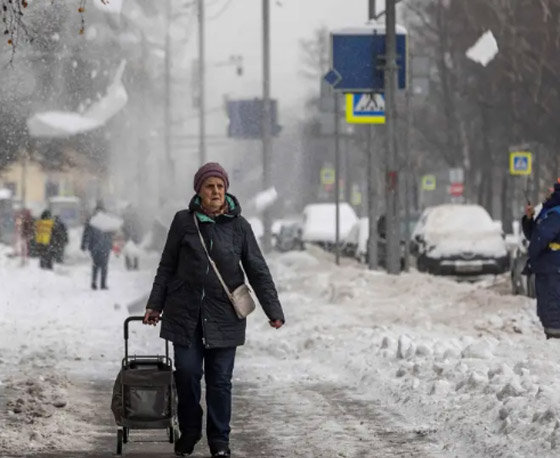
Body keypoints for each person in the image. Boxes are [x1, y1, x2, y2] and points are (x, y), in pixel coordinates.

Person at [143, 162, 285, 458]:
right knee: (188, 374)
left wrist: (273, 309)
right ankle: (191, 430)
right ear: (199, 191)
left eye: (220, 186)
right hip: (186, 314)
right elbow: (167, 266)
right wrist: (155, 304)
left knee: (220, 381)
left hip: (224, 315)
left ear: (226, 190)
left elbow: (257, 270)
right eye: (210, 186)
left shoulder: (240, 227)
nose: (216, 191)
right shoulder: (183, 222)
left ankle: (220, 440)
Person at [522, 180, 560, 339]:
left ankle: (555, 340)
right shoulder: (549, 209)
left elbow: (540, 238)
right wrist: (529, 218)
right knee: (547, 304)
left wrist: (532, 256)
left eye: (554, 187)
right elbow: (534, 235)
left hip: (553, 266)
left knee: (552, 304)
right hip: (548, 266)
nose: (549, 189)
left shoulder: (555, 213)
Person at [81, 203, 113, 290]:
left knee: (96, 265)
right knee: (104, 266)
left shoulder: (92, 220)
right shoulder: (107, 221)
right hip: (105, 246)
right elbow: (111, 233)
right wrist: (111, 244)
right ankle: (102, 284)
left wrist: (84, 244)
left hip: (94, 245)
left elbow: (86, 233)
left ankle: (94, 283)